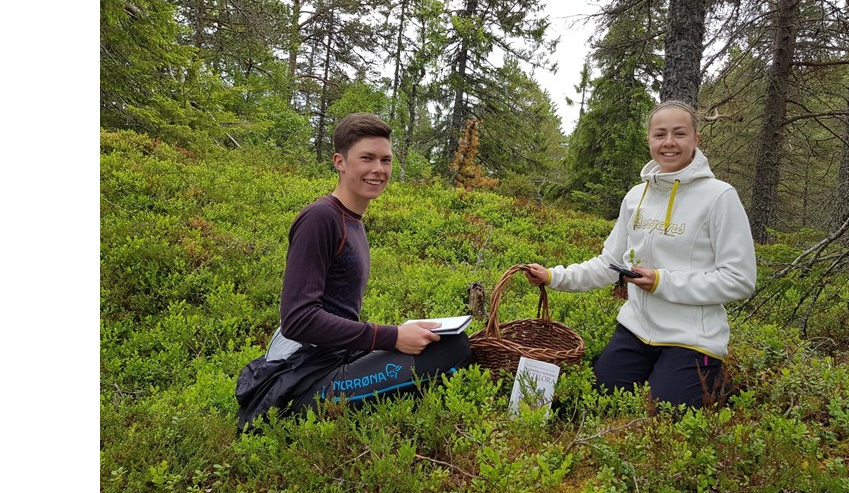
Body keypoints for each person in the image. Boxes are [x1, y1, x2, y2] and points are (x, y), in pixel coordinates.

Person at [236, 113, 470, 430]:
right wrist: (392, 337)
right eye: (367, 158)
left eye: (385, 160)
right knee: (452, 351)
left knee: (444, 342)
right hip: (302, 374)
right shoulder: (321, 218)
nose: (378, 169)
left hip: (335, 358)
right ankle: (294, 417)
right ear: (340, 162)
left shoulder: (352, 221)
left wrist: (399, 334)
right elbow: (298, 319)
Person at [523, 101, 756, 409]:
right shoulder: (636, 196)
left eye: (679, 133)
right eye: (660, 134)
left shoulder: (720, 197)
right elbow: (610, 265)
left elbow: (740, 280)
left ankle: (712, 378)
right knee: (596, 404)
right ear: (649, 140)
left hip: (691, 339)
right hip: (635, 331)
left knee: (665, 417)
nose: (669, 142)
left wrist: (662, 282)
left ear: (696, 139)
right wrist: (554, 276)